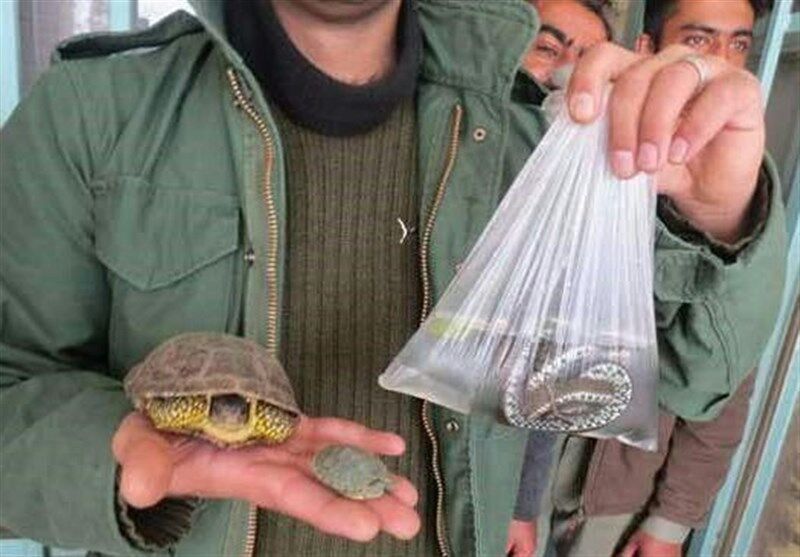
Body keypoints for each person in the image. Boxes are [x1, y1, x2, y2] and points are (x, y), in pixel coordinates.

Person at [0, 0, 785, 556]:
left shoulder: (531, 141)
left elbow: (693, 375)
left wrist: (717, 218)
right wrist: (117, 456)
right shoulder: (93, 112)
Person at [539, 1, 783, 556]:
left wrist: (672, 521)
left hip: (615, 500)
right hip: (517, 470)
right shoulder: (571, 159)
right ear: (645, 50)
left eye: (739, 45)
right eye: (697, 40)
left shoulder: (737, 194)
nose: (719, 62)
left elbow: (726, 390)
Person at [507, 3, 614, 556]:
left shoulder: (589, 191)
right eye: (548, 49)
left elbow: (554, 362)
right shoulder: (456, 144)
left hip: (493, 468)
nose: (569, 74)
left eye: (588, 60)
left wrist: (522, 505)